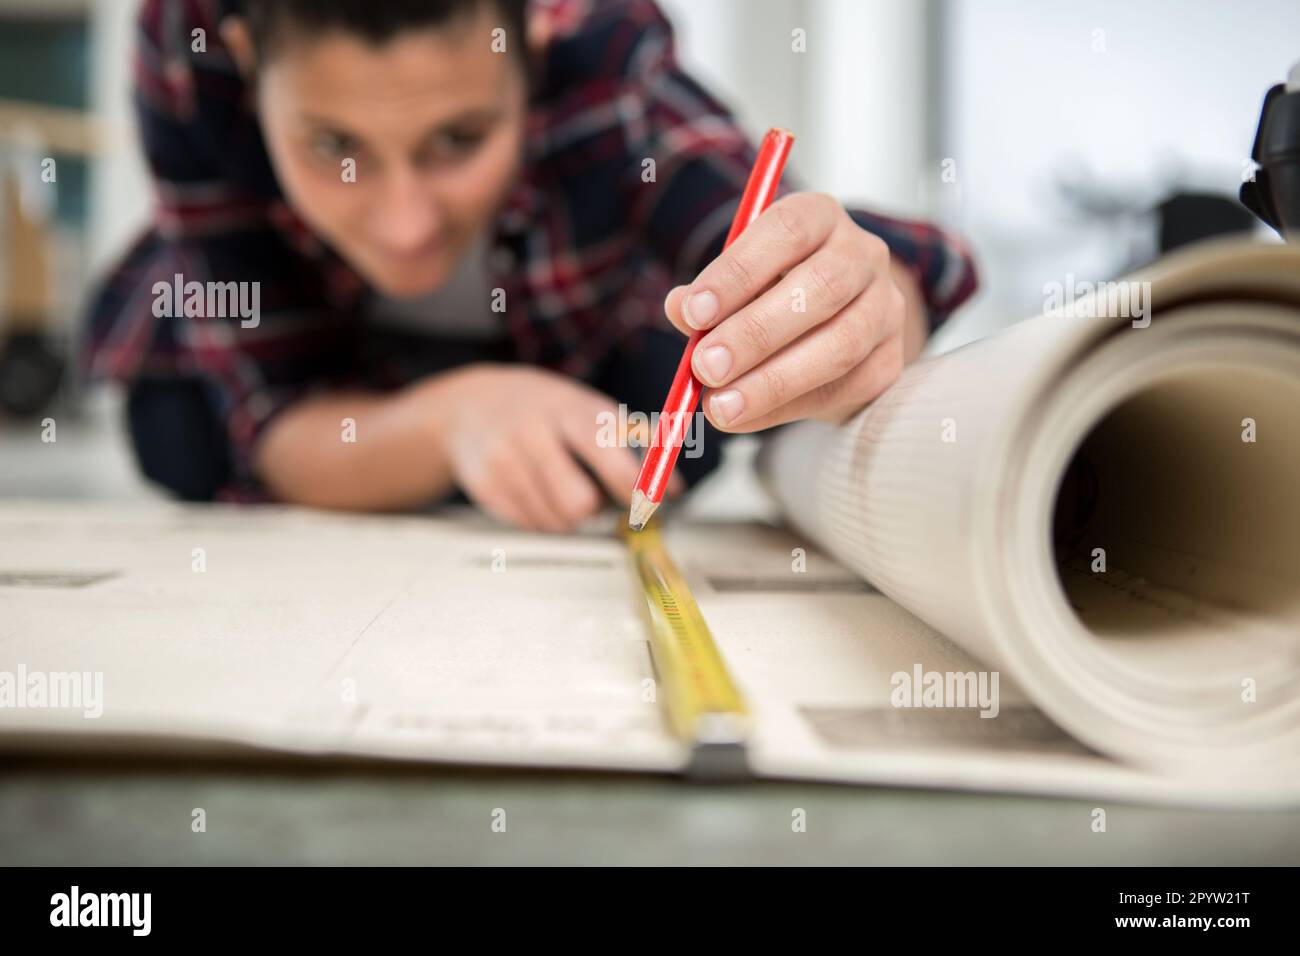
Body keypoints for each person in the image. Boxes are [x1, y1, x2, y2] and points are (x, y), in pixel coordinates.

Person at [85, 0, 977, 532]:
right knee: (179, 429)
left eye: (458, 140)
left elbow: (783, 262)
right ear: (245, 60)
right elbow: (267, 417)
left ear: (541, 28)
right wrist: (449, 422)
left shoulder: (606, 59)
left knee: (679, 412)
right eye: (333, 147)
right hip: (334, 369)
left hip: (579, 362)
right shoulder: (191, 54)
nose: (403, 228)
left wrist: (856, 306)